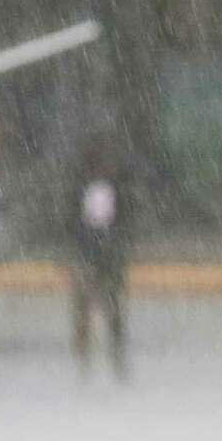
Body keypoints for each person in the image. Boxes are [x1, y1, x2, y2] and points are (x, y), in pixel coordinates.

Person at [67, 131, 133, 378]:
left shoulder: (117, 188)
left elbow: (123, 221)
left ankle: (116, 356)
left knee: (113, 307)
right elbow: (72, 223)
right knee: (83, 306)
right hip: (88, 252)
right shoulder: (79, 189)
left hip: (109, 254)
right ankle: (82, 359)